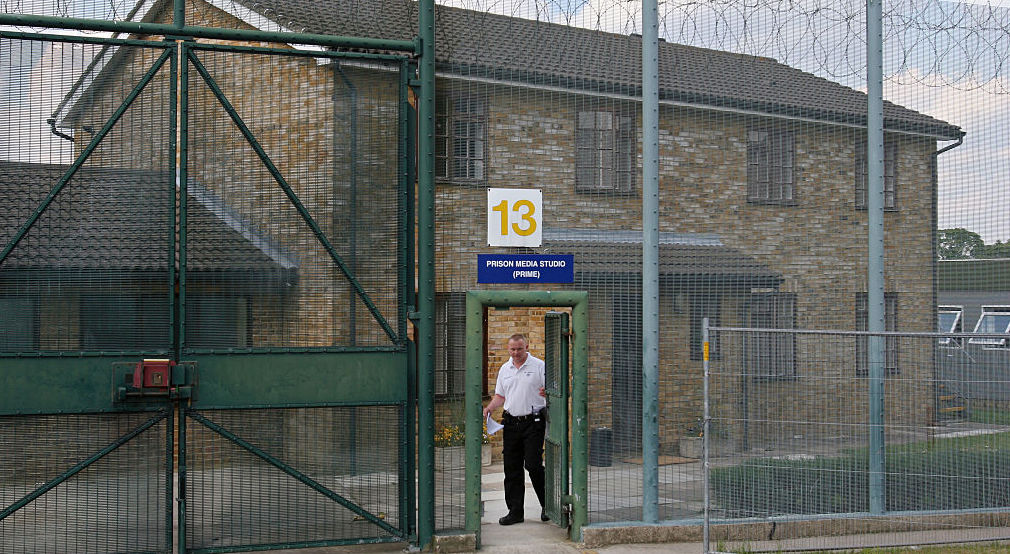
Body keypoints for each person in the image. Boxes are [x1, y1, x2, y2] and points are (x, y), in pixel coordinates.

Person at [482, 332, 549, 525]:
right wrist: (489, 409)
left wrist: (547, 393)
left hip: (533, 422)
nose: (516, 352)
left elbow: (551, 392)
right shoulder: (505, 369)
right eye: (512, 349)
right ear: (508, 349)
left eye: (520, 348)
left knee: (533, 465)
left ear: (526, 347)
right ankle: (515, 511)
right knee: (511, 468)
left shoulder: (539, 366)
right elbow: (500, 396)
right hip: (511, 423)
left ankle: (548, 506)